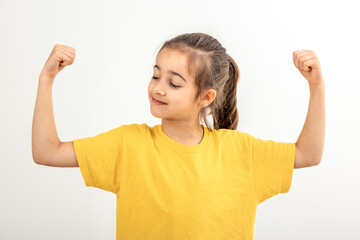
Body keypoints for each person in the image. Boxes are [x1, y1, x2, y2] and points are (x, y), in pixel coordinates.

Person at [32, 32, 325, 240]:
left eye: (174, 83)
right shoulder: (128, 144)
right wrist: (46, 80)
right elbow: (47, 152)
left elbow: (308, 155)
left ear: (205, 96)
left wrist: (317, 86)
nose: (158, 88)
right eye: (156, 75)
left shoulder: (239, 151)